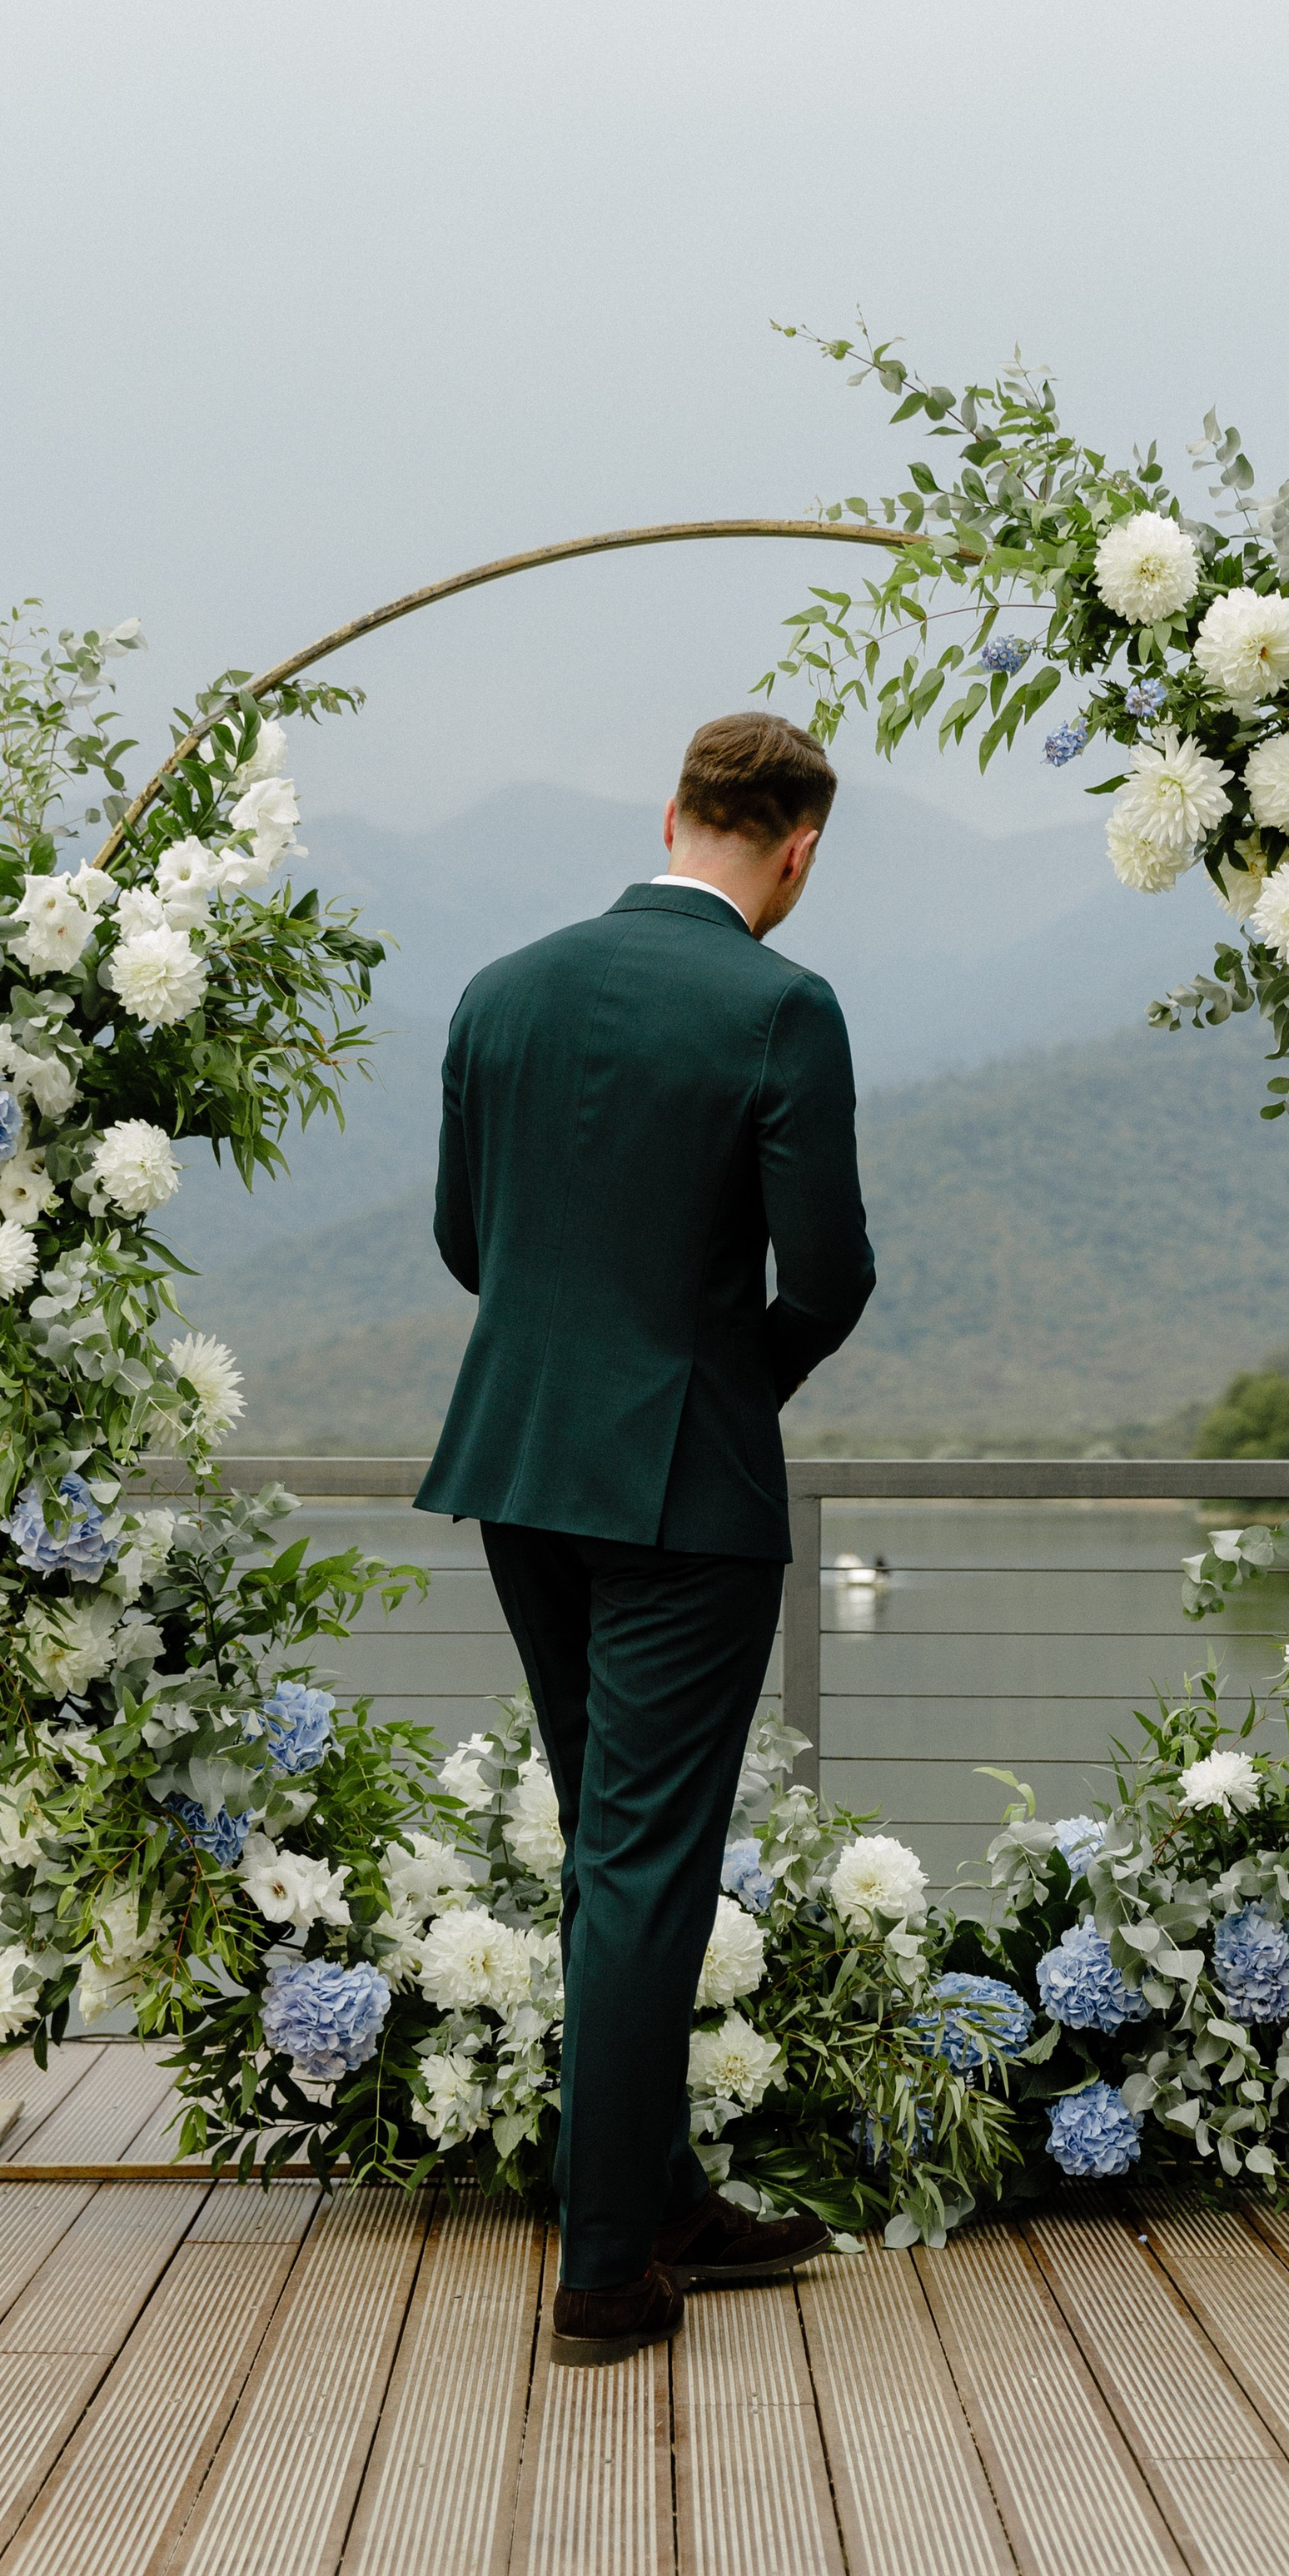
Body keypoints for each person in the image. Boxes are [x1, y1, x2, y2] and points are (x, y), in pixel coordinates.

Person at [416, 709, 876, 2365]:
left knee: (612, 1859)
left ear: (669, 811)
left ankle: (659, 2191)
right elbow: (824, 1276)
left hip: (519, 1469)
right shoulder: (778, 1006)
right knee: (641, 1868)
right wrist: (709, 1387)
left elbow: (472, 1239)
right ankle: (605, 2270)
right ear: (798, 847)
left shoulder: (500, 992)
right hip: (685, 1488)